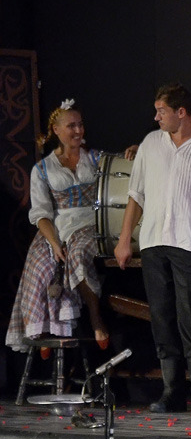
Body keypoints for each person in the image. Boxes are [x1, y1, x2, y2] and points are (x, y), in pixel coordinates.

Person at [113, 83, 191, 414]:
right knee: (162, 316)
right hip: (154, 242)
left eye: (162, 111)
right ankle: (172, 391)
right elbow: (136, 195)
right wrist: (124, 239)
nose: (156, 117)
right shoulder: (151, 143)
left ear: (181, 112)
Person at [6, 100, 132, 354]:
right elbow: (41, 214)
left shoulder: (94, 158)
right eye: (71, 126)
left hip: (91, 223)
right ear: (56, 130)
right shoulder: (43, 169)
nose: (78, 130)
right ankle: (46, 329)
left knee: (76, 254)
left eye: (80, 125)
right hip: (58, 226)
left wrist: (134, 151)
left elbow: (120, 166)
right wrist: (53, 242)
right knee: (41, 264)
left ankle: (95, 316)